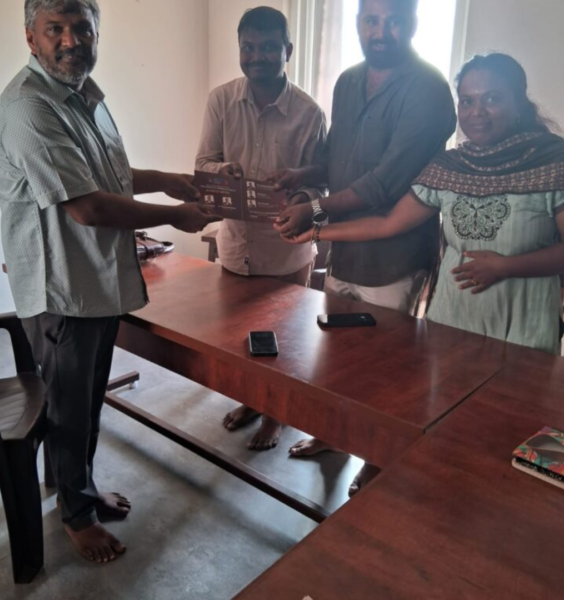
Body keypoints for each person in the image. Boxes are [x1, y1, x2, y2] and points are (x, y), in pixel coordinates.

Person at [0, 0, 221, 564]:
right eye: (55, 29)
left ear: (97, 33)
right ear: (31, 38)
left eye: (82, 28)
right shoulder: (30, 107)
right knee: (70, 407)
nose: (71, 40)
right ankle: (77, 515)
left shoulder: (83, 95)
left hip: (91, 280)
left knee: (83, 399)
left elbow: (108, 176)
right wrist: (174, 215)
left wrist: (169, 180)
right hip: (63, 287)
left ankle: (76, 488)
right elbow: (89, 207)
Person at [286, 54, 564, 386]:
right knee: (442, 405)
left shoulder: (553, 164)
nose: (477, 112)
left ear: (519, 102)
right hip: (452, 321)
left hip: (523, 323)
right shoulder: (451, 167)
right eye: (467, 101)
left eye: (492, 99)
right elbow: (388, 223)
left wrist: (506, 267)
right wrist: (316, 232)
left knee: (513, 409)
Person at [272, 0, 456, 471]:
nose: (381, 32)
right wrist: (303, 176)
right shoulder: (348, 80)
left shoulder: (429, 90)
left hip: (395, 258)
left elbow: (384, 185)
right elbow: (336, 157)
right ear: (358, 22)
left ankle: (377, 460)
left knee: (386, 365)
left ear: (413, 23)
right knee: (337, 350)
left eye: (394, 21)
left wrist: (313, 210)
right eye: (371, 19)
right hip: (345, 251)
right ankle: (333, 435)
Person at [195, 6, 327, 451]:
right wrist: (224, 171)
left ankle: (277, 416)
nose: (257, 57)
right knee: (242, 340)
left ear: (288, 50)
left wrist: (301, 199)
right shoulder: (221, 100)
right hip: (235, 246)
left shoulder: (309, 113)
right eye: (248, 47)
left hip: (286, 250)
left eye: (269, 47)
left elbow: (321, 182)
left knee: (283, 342)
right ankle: (252, 402)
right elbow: (203, 164)